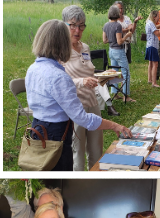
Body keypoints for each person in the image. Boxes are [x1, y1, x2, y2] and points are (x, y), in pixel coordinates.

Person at [25, 20, 129, 171]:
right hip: (56, 136)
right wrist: (114, 125)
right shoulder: (59, 76)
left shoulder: (33, 68)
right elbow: (82, 118)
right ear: (62, 44)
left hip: (37, 129)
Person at [61, 5, 104, 172]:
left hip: (93, 102)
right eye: (73, 25)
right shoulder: (60, 50)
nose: (77, 30)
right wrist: (81, 82)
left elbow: (88, 71)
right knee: (77, 151)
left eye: (81, 25)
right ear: (64, 25)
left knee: (96, 149)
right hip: (75, 106)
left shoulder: (85, 47)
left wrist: (99, 80)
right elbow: (60, 82)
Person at [102, 7, 134, 100]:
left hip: (111, 50)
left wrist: (112, 40)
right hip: (118, 51)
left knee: (114, 72)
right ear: (118, 14)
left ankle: (115, 94)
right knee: (125, 73)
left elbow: (104, 40)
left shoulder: (105, 25)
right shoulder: (118, 25)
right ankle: (126, 96)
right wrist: (127, 35)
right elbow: (120, 42)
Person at [145, 10, 160, 88]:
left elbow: (154, 28)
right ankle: (154, 83)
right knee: (155, 64)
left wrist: (159, 25)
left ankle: (150, 79)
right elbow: (158, 34)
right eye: (158, 16)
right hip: (153, 46)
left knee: (151, 63)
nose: (159, 18)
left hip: (149, 45)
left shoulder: (149, 22)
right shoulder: (151, 23)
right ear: (154, 17)